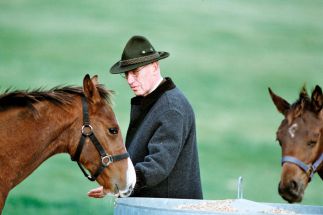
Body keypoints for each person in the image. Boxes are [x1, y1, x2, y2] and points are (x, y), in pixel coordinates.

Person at [88, 35, 203, 199]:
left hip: (169, 210)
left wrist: (120, 182)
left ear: (155, 66)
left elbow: (157, 166)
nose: (129, 80)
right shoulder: (154, 100)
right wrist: (117, 186)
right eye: (126, 74)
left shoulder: (172, 108)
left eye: (135, 72)